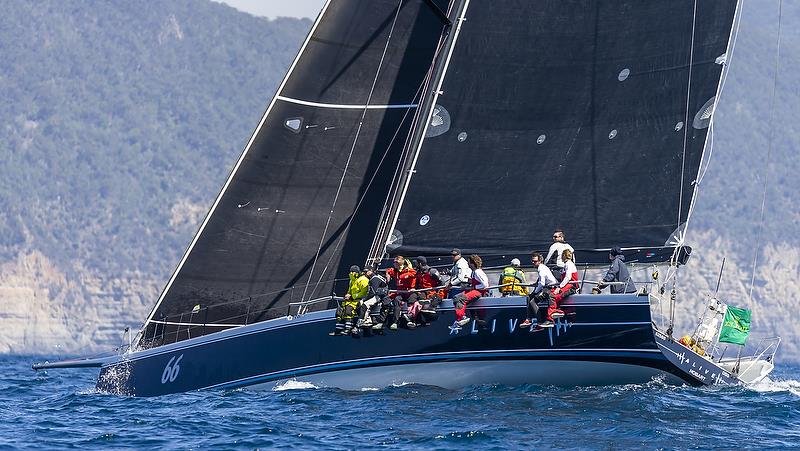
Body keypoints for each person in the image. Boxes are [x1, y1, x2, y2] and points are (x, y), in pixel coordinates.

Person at [520, 253, 558, 328]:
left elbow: (542, 283)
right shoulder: (541, 267)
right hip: (547, 287)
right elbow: (540, 281)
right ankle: (528, 319)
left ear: (540, 261)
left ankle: (539, 322)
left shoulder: (541, 269)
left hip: (550, 288)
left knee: (532, 301)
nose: (533, 263)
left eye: (535, 261)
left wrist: (535, 292)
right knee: (529, 297)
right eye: (532, 261)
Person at [330, 265, 369, 336]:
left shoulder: (363, 280)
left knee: (348, 310)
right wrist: (347, 295)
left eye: (353, 271)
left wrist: (352, 296)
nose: (351, 273)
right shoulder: (352, 280)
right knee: (340, 311)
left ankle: (348, 329)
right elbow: (349, 290)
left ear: (357, 272)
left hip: (358, 300)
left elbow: (364, 292)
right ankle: (338, 330)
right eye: (350, 271)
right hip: (350, 300)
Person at [452, 254, 489, 327]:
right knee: (456, 297)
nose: (468, 264)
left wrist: (474, 286)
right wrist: (470, 281)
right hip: (475, 291)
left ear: (473, 263)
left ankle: (462, 317)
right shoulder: (474, 272)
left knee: (460, 299)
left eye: (469, 262)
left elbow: (485, 285)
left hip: (479, 292)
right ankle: (471, 318)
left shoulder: (478, 272)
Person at [546, 249, 579, 326]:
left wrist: (559, 287)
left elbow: (568, 277)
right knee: (551, 293)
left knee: (553, 295)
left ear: (564, 256)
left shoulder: (569, 264)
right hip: (568, 285)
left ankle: (551, 317)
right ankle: (557, 311)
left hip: (571, 286)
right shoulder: (566, 265)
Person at [385, 255, 417, 330]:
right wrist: (387, 275)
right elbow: (389, 270)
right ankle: (395, 322)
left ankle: (411, 320)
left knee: (411, 300)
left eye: (395, 262)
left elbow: (414, 274)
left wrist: (409, 269)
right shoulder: (395, 271)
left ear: (400, 263)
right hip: (401, 292)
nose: (394, 264)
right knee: (397, 300)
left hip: (409, 291)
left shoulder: (408, 271)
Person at [412, 256, 444, 324]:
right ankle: (417, 320)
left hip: (433, 293)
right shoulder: (418, 273)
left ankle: (431, 318)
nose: (415, 265)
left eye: (417, 263)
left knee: (426, 306)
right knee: (418, 302)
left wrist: (439, 293)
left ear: (420, 264)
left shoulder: (432, 271)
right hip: (423, 293)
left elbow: (442, 282)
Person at [359, 265, 389, 329]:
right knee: (364, 303)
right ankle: (367, 319)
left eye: (366, 271)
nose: (365, 273)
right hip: (380, 294)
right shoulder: (376, 276)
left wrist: (365, 299)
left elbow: (372, 292)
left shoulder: (374, 279)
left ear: (371, 271)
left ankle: (364, 321)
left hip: (381, 296)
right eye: (364, 272)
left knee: (364, 304)